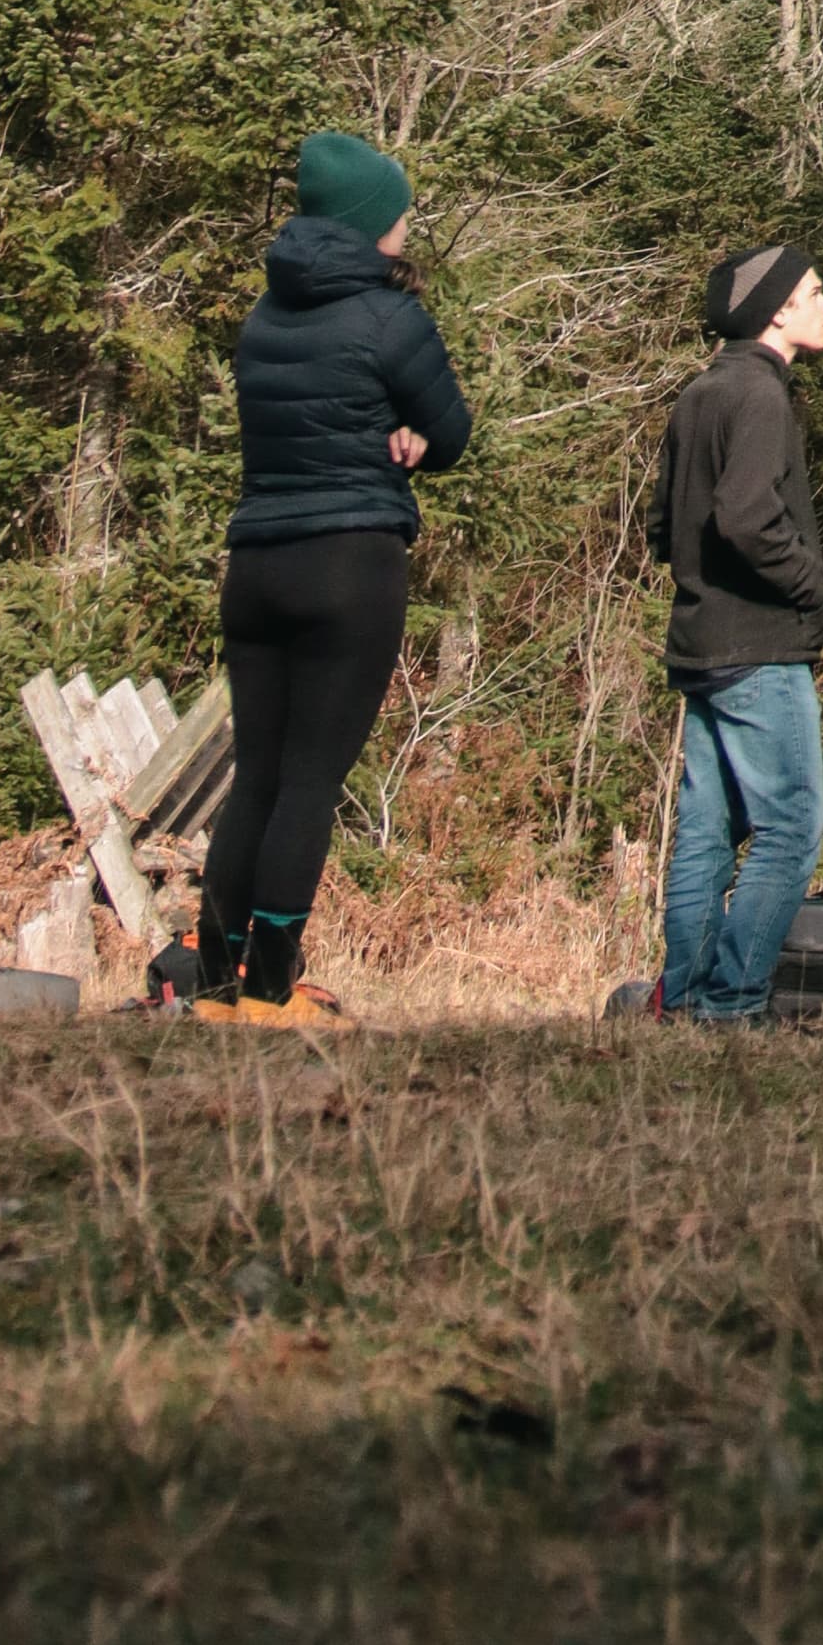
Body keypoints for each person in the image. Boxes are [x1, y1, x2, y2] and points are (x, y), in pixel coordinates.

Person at [192, 132, 474, 1023]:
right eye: (399, 210)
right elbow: (455, 430)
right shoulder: (391, 317)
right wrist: (419, 441)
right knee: (312, 779)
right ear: (368, 220)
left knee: (259, 778)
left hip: (256, 563)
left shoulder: (264, 316)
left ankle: (213, 980)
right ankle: (273, 986)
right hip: (349, 563)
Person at [646, 244, 823, 1024]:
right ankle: (732, 1004)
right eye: (817, 292)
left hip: (700, 644)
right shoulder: (761, 395)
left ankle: (686, 1000)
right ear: (778, 308)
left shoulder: (699, 394)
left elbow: (662, 526)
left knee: (706, 835)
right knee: (791, 827)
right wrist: (809, 587)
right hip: (758, 648)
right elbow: (746, 515)